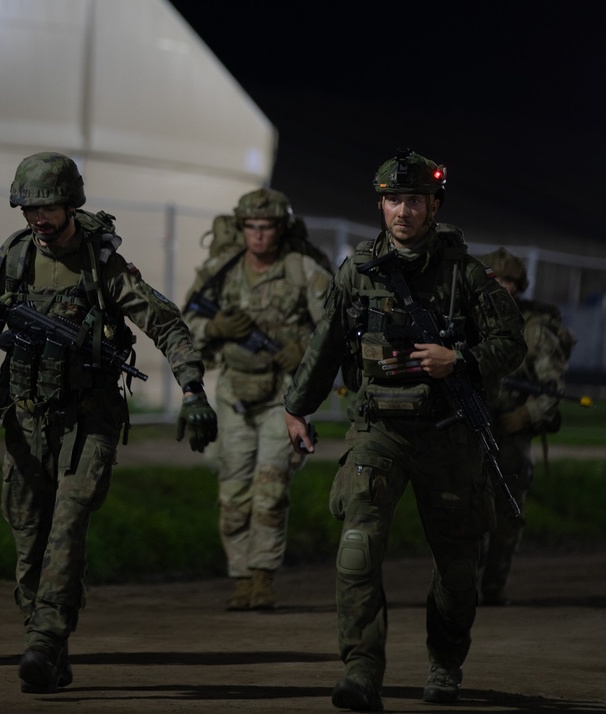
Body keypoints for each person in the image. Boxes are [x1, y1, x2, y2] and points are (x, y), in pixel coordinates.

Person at [0, 151, 218, 694]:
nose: (38, 218)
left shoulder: (102, 264)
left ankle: (44, 640)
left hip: (87, 421)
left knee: (68, 524)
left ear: (71, 204)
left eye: (47, 207)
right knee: (28, 543)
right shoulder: (16, 257)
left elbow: (165, 324)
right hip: (25, 420)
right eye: (29, 208)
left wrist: (192, 389)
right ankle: (48, 643)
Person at [282, 148, 526, 711]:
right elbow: (325, 346)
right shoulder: (357, 271)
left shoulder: (466, 274)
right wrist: (298, 407)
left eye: (414, 200)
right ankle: (363, 671)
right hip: (378, 430)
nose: (403, 211)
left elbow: (512, 343)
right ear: (381, 205)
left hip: (449, 434)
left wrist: (458, 359)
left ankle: (445, 664)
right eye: (393, 200)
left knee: (459, 567)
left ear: (433, 206)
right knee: (357, 549)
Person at [182, 188, 333, 611]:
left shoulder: (301, 270)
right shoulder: (220, 269)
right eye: (251, 227)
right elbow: (183, 325)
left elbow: (336, 329)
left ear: (280, 229)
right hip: (233, 393)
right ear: (241, 227)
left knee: (270, 489)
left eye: (266, 228)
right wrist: (214, 329)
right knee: (232, 495)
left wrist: (303, 349)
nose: (259, 236)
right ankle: (240, 576)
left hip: (282, 399)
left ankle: (262, 577)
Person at [477, 247, 574, 607]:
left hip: (511, 434)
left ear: (520, 285)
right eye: (494, 279)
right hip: (472, 430)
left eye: (509, 281)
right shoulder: (466, 320)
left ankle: (494, 585)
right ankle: (461, 588)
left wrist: (527, 415)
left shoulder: (535, 328)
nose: (502, 287)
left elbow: (553, 387)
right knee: (467, 513)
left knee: (507, 516)